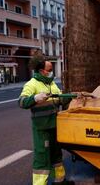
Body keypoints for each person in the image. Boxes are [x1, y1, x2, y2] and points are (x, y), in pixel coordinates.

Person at [18, 56, 74, 185]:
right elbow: (21, 102)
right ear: (42, 71)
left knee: (56, 155)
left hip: (54, 125)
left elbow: (58, 99)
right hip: (42, 127)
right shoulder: (32, 84)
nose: (51, 71)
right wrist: (35, 98)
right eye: (49, 69)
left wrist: (70, 96)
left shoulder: (51, 83)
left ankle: (59, 180)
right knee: (42, 158)